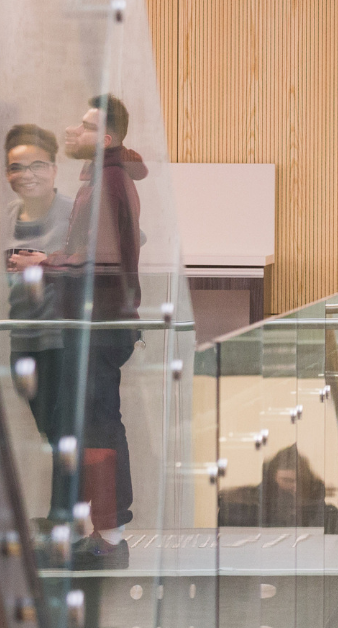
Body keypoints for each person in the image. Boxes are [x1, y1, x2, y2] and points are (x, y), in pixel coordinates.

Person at [41, 95, 146, 570]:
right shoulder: (103, 179)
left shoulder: (107, 182)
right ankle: (103, 533)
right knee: (92, 425)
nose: (73, 131)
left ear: (104, 140)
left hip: (99, 326)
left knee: (99, 427)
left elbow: (102, 262)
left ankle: (109, 538)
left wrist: (44, 262)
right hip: (98, 323)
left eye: (84, 127)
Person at [4, 124, 74, 527]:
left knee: (64, 433)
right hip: (22, 339)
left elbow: (121, 247)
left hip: (63, 340)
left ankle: (63, 518)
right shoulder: (7, 216)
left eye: (36, 165)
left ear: (53, 168)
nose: (26, 174)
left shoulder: (74, 212)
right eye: (15, 167)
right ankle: (61, 516)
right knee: (50, 432)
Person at [219, 445, 338, 532]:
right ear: (272, 479)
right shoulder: (247, 509)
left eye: (300, 480)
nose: (295, 487)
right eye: (287, 481)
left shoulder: (324, 514)